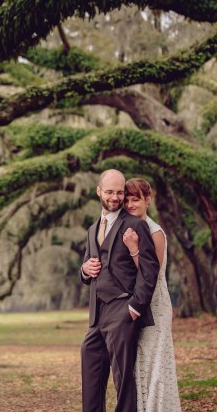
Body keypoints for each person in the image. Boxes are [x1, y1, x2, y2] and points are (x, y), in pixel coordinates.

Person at [80, 169, 160, 412]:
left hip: (123, 308)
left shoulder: (135, 224)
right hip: (98, 312)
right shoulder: (93, 229)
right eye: (110, 192)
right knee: (90, 362)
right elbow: (85, 272)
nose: (115, 197)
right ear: (99, 192)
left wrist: (135, 308)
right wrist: (85, 269)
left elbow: (150, 269)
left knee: (123, 379)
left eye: (119, 192)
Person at [122, 178, 182, 412]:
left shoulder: (155, 232)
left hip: (155, 306)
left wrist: (134, 249)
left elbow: (151, 274)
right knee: (142, 365)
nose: (129, 204)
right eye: (127, 200)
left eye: (135, 199)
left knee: (156, 368)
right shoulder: (132, 228)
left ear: (148, 199)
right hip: (138, 304)